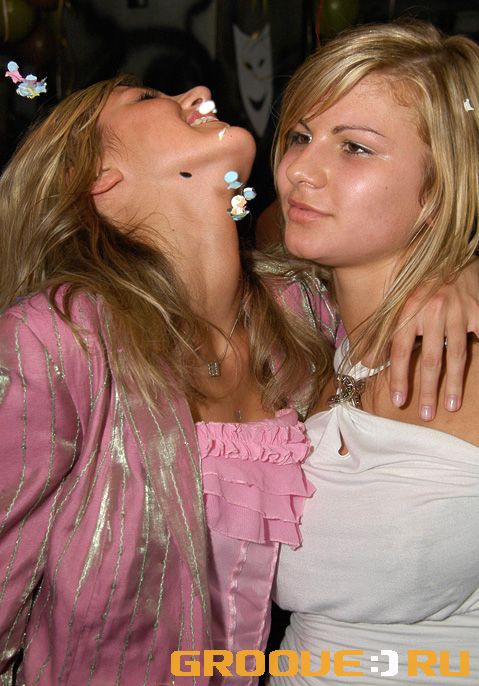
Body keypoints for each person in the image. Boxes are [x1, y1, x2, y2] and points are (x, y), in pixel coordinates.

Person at [0, 68, 477, 685]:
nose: (198, 92)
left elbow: (377, 241)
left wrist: (458, 267)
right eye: (148, 97)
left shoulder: (298, 312)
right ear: (100, 178)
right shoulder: (58, 337)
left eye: (351, 145)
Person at [271, 19, 479, 685]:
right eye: (299, 136)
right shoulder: (299, 329)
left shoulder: (467, 365)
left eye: (354, 147)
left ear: (438, 188)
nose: (300, 170)